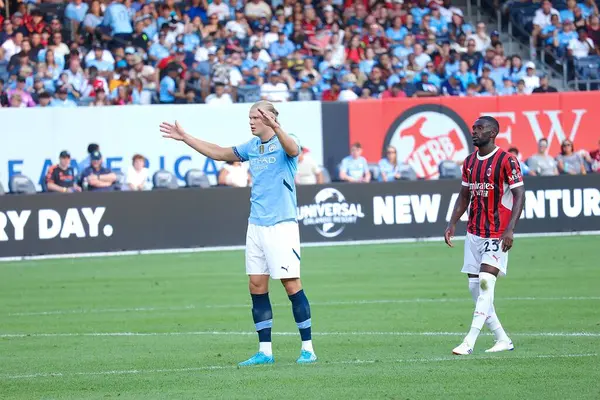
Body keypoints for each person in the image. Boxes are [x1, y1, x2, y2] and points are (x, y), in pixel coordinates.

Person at [159, 100, 316, 366]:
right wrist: (185, 138)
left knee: (290, 284)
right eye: (250, 116)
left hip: (282, 224)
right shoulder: (251, 147)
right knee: (256, 285)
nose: (251, 121)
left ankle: (308, 348)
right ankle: (265, 352)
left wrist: (277, 127)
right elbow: (220, 153)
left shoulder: (288, 141)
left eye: (255, 116)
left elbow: (292, 149)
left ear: (269, 117)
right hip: (256, 224)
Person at [444, 116, 526, 355]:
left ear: (492, 133)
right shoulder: (470, 162)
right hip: (474, 233)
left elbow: (520, 195)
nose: (474, 132)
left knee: (485, 282)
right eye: (473, 128)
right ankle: (502, 339)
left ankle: (469, 342)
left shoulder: (507, 160)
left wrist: (510, 229)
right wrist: (452, 222)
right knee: (474, 288)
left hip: (497, 234)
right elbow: (464, 195)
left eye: (480, 128)